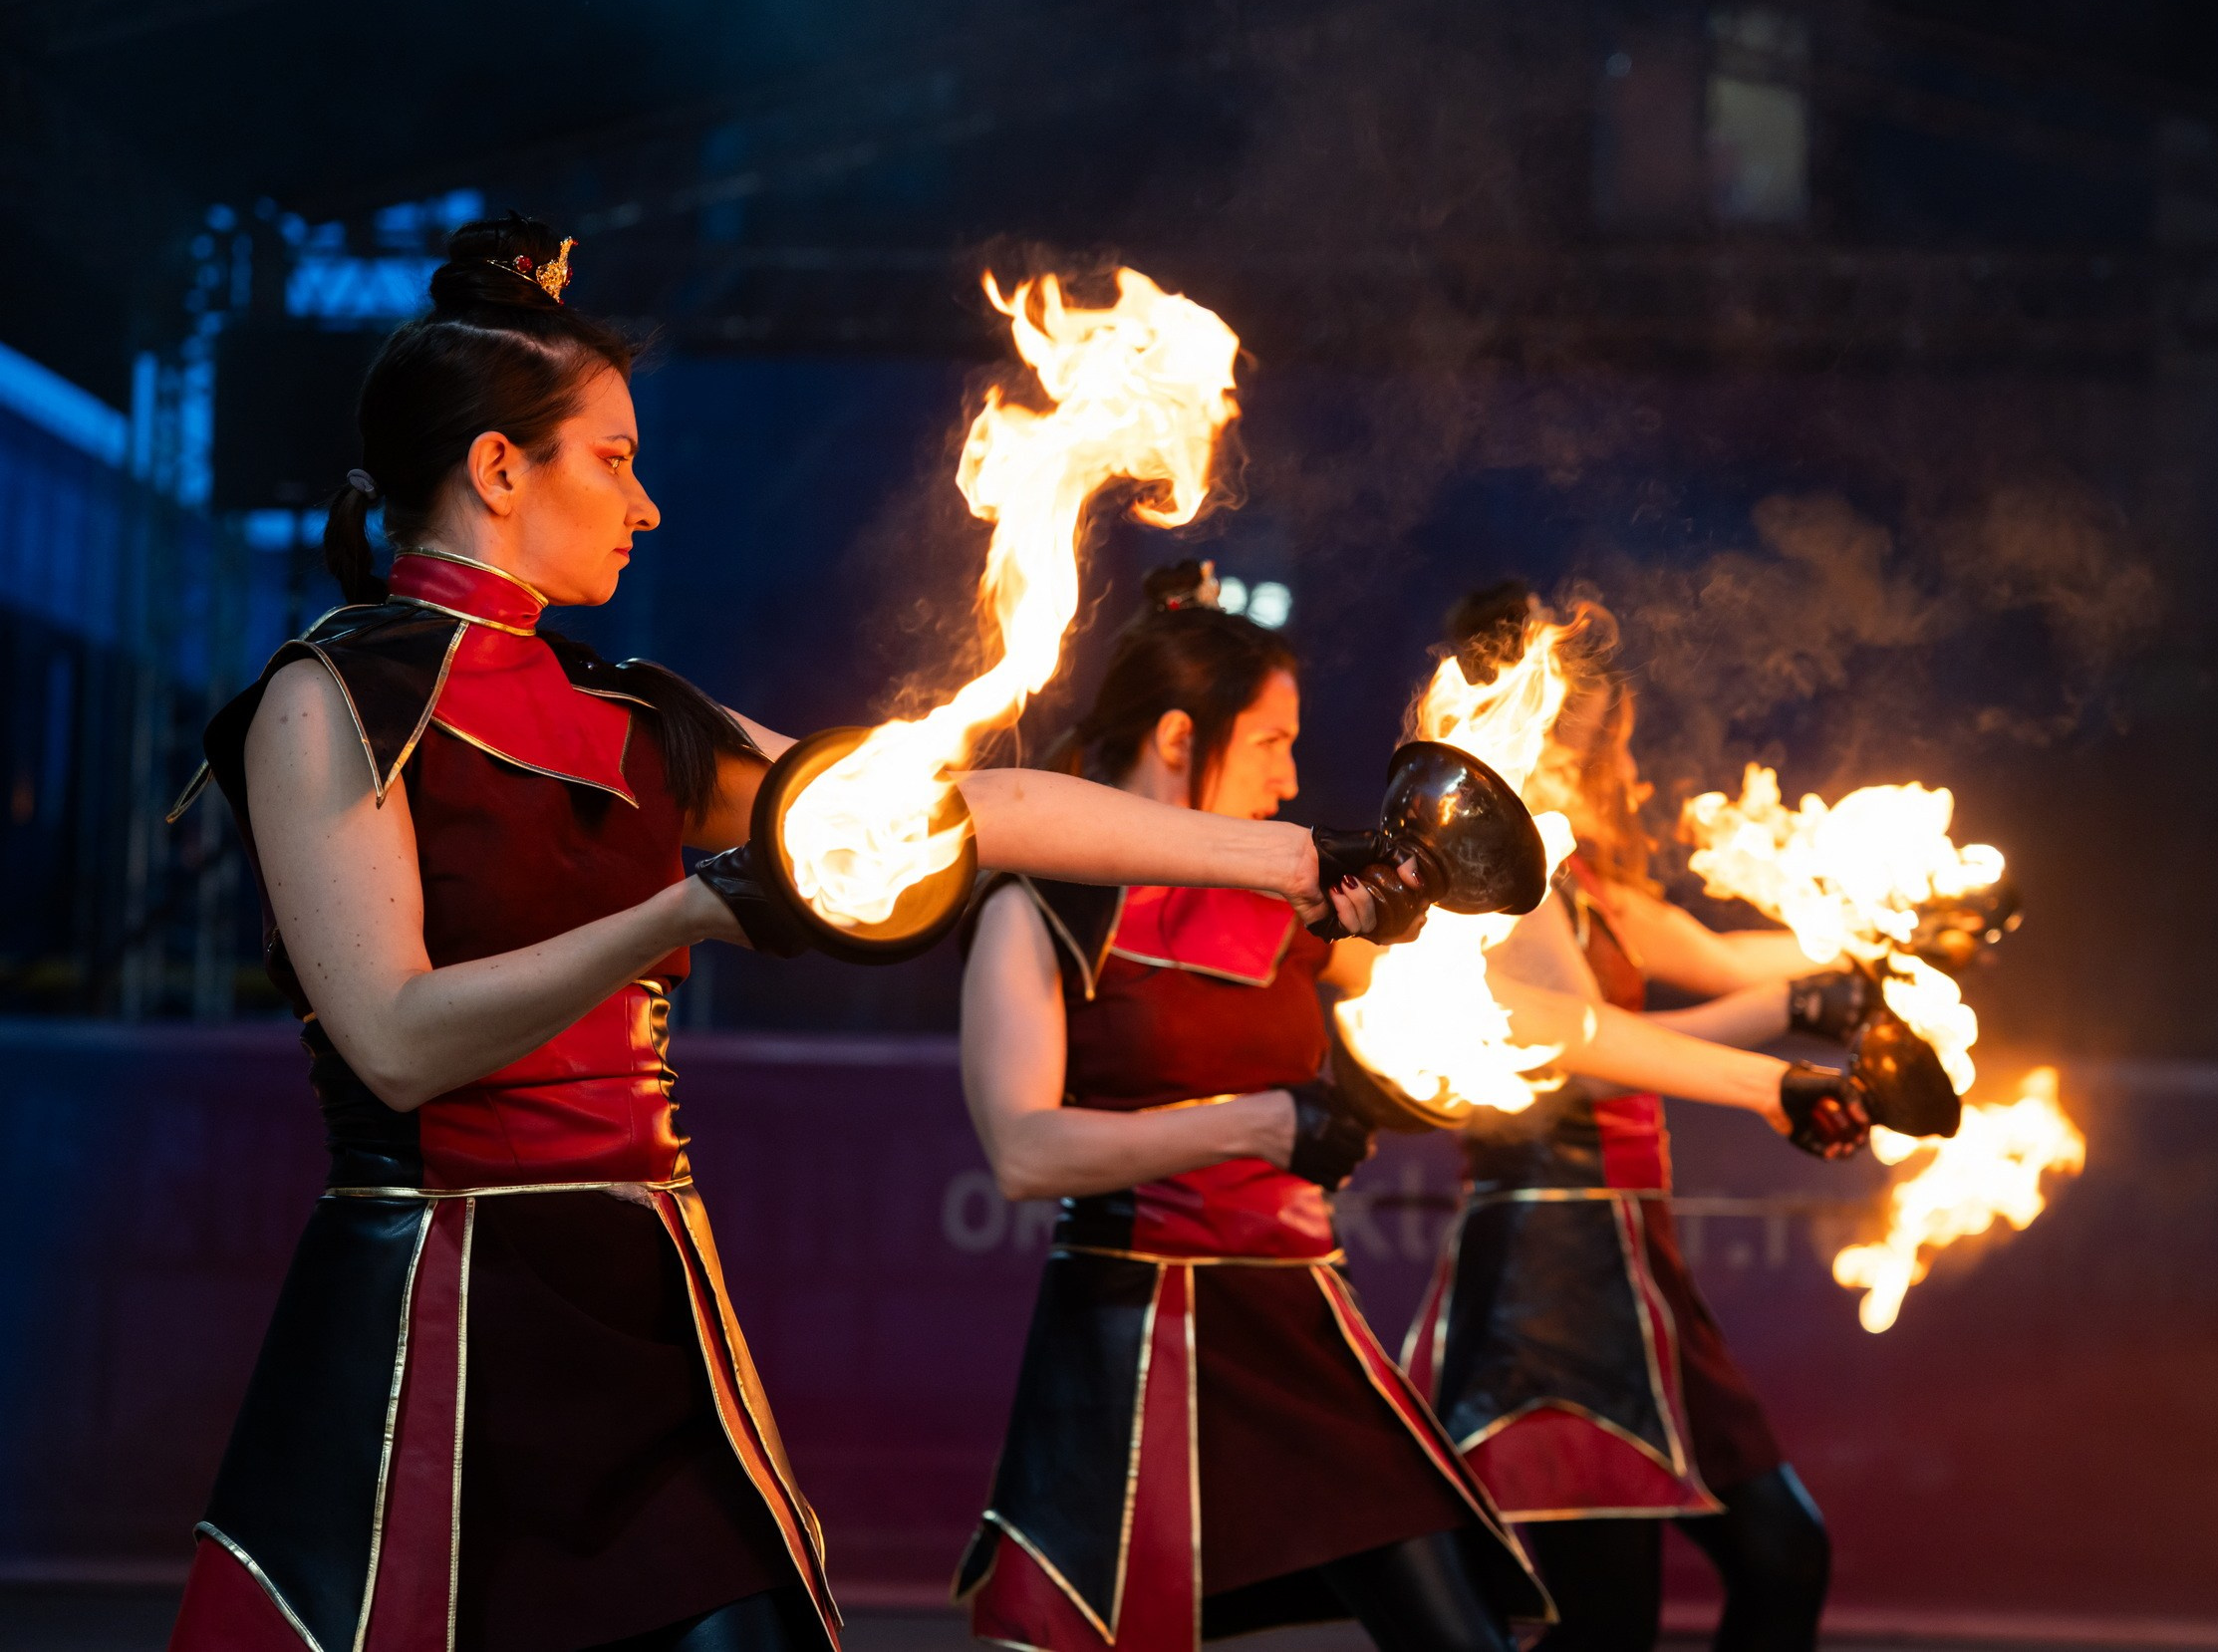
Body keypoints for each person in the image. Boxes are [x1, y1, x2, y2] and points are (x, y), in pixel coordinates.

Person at [162, 218, 1421, 1652]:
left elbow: (975, 809)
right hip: (428, 1321)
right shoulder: (325, 701)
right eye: (615, 460)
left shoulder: (635, 715)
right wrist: (686, 909)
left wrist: (1305, 863)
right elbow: (391, 1041)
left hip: (643, 1292)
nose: (645, 510)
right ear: (500, 471)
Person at [951, 563, 1550, 1652]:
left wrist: (1410, 901)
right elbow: (1023, 1154)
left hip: (1299, 1318)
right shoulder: (1039, 902)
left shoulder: (1283, 902)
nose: (1287, 783)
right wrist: (1258, 1124)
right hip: (1129, 1333)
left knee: (1464, 1641)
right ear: (1182, 738)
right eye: (1272, 743)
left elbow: (1448, 999)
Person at [1397, 585, 1950, 1652]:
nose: (1579, 751)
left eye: (1590, 730)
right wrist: (1796, 1014)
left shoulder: (1585, 876)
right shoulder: (1490, 875)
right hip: (1550, 1268)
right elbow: (1585, 1048)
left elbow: (1725, 958)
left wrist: (1902, 934)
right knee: (1608, 1624)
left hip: (1632, 1260)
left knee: (1783, 1554)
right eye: (1561, 725)